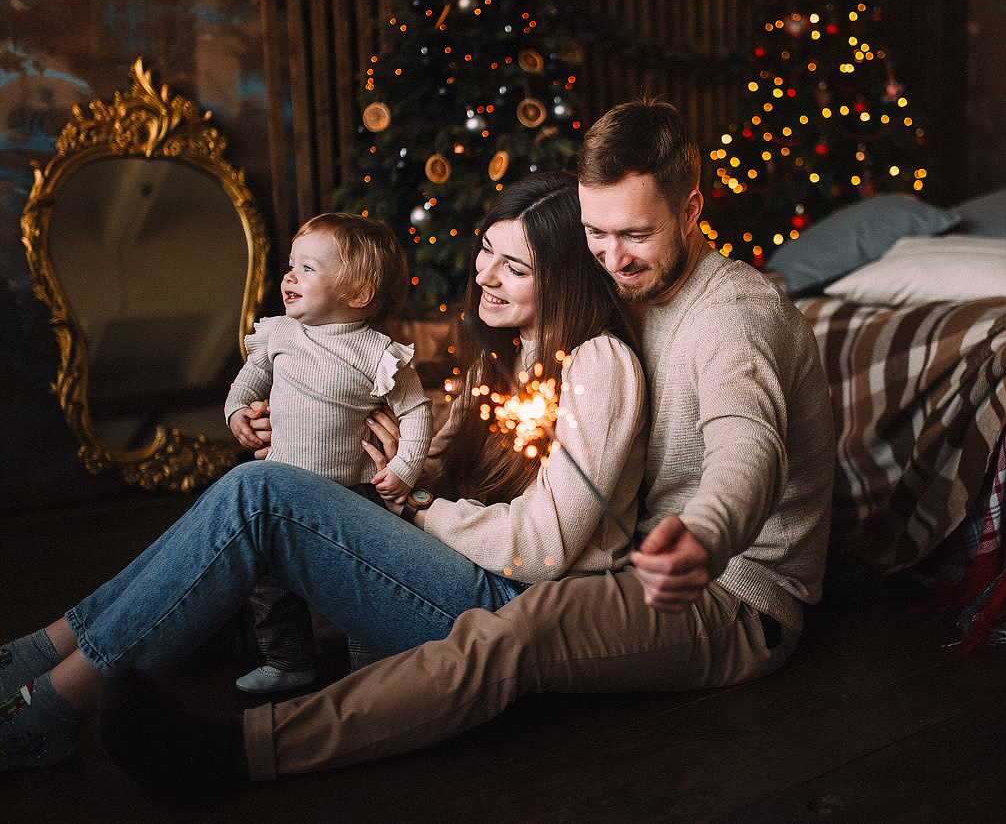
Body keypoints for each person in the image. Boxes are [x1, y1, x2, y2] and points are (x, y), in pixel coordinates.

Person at [89, 98, 837, 800]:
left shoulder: (733, 317)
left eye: (635, 234)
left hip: (730, 596)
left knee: (520, 633)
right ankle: (92, 658)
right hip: (634, 555)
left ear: (693, 210)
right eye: (596, 233)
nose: (611, 257)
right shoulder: (623, 292)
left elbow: (748, 444)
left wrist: (706, 532)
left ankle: (236, 751)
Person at [0, 171, 647, 774]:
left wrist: (416, 502)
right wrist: (382, 467)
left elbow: (541, 547)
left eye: (515, 267)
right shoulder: (502, 353)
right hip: (458, 565)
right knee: (261, 487)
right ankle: (41, 657)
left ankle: (50, 705)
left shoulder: (599, 365)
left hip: (508, 609)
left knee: (260, 494)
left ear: (566, 279)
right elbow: (445, 469)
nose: (484, 275)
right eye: (485, 250)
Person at [225, 212, 435, 694]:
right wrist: (238, 413)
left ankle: (367, 664)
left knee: (357, 583)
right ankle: (288, 660)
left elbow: (417, 413)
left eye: (307, 268)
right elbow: (247, 383)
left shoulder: (377, 353)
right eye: (291, 266)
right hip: (281, 487)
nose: (289, 277)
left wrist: (405, 469)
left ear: (357, 294)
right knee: (269, 579)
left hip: (352, 494)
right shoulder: (280, 333)